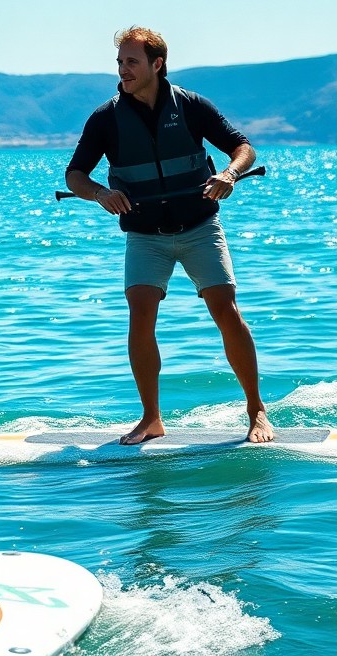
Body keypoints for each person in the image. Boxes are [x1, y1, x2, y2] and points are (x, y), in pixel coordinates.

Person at [64, 26, 273, 446]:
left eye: (131, 62)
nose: (123, 70)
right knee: (140, 310)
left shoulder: (193, 106)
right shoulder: (105, 119)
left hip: (199, 228)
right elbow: (74, 176)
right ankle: (151, 418)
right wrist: (101, 194)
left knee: (225, 308)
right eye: (120, 62)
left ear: (157, 64)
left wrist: (230, 174)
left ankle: (257, 411)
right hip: (145, 235)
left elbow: (243, 147)